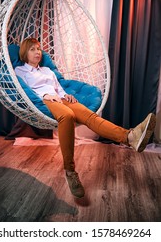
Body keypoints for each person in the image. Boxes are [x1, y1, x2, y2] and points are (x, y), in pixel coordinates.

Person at [15, 38, 156, 198]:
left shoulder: (47, 70)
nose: (38, 52)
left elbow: (58, 88)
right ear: (24, 52)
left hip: (59, 98)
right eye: (33, 49)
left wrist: (66, 95)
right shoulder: (20, 71)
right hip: (44, 100)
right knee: (67, 116)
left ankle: (130, 137)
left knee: (90, 116)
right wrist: (45, 95)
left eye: (39, 49)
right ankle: (70, 171)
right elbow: (25, 91)